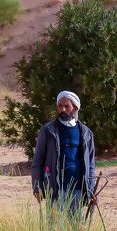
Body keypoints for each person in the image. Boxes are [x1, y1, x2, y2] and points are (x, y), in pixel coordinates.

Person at [31, 90, 96, 220]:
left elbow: (91, 165)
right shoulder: (48, 130)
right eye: (60, 106)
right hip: (55, 190)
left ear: (75, 108)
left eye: (67, 106)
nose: (63, 109)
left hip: (78, 189)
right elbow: (38, 161)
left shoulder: (86, 133)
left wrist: (91, 189)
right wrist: (37, 187)